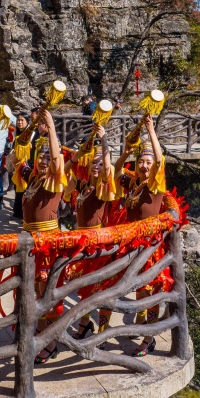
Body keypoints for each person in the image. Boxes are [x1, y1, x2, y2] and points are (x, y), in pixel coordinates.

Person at [15, 110, 68, 363]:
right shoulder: (32, 177)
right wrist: (31, 129)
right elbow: (14, 157)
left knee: (48, 291)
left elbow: (58, 161)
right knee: (33, 290)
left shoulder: (56, 180)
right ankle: (40, 332)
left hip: (48, 241)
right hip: (28, 239)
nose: (45, 160)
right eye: (41, 156)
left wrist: (52, 127)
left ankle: (52, 341)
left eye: (48, 157)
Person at [118, 115, 167, 357]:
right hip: (134, 246)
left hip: (150, 247)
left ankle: (149, 339)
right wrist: (127, 152)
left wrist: (150, 130)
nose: (145, 166)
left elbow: (160, 160)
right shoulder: (135, 185)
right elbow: (115, 171)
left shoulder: (155, 185)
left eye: (148, 163)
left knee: (151, 293)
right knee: (139, 289)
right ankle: (142, 328)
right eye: (141, 163)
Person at [71, 125, 123, 338]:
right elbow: (69, 166)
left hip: (98, 243)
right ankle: (85, 325)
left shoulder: (103, 187)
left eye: (100, 164)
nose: (97, 166)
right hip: (83, 242)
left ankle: (102, 330)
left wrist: (104, 141)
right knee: (86, 288)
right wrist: (88, 143)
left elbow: (109, 168)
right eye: (94, 163)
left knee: (100, 289)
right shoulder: (83, 186)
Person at [8, 112, 29, 220]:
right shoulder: (17, 134)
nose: (19, 122)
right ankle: (18, 212)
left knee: (24, 190)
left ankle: (24, 213)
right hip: (17, 166)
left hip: (25, 165)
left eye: (22, 120)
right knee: (18, 188)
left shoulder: (29, 134)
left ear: (27, 122)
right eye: (18, 120)